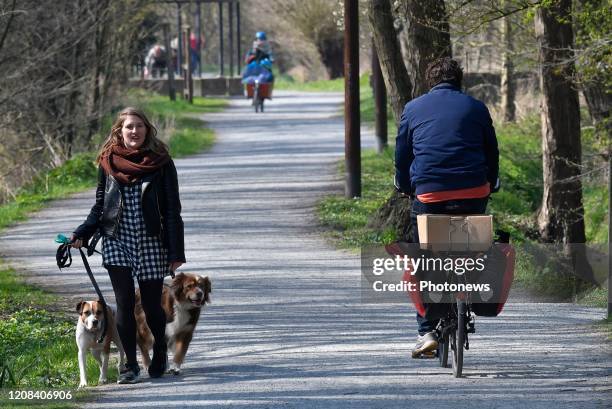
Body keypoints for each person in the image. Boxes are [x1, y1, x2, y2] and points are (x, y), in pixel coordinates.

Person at [394, 57, 499, 358]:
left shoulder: (413, 108)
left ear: (430, 81)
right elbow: (491, 151)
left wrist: (404, 185)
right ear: (459, 80)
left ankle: (426, 330)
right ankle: (472, 288)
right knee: (474, 245)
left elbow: (403, 156)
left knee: (423, 256)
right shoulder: (477, 108)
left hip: (430, 195)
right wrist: (490, 182)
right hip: (473, 191)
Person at [71, 107, 185, 383]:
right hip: (116, 239)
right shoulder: (107, 162)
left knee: (151, 304)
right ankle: (130, 365)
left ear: (147, 129)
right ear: (119, 131)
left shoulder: (161, 162)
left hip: (151, 241)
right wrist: (81, 233)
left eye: (139, 126)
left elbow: (172, 209)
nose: (134, 131)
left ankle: (159, 351)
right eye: (128, 127)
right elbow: (101, 206)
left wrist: (175, 251)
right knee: (123, 302)